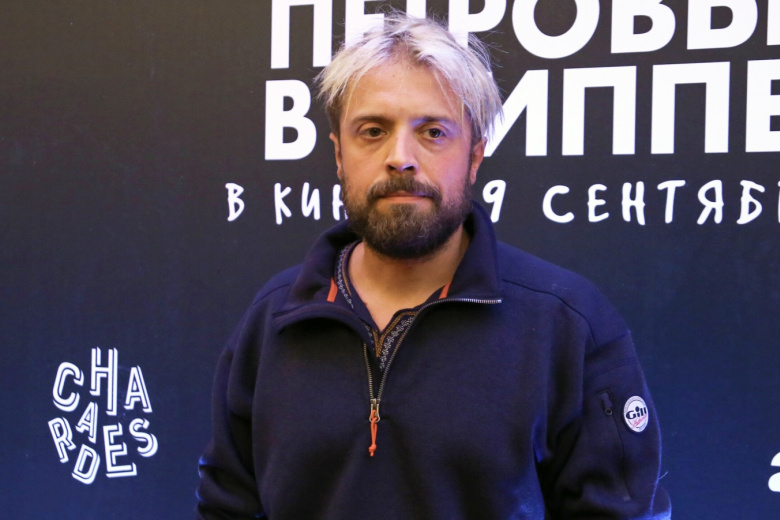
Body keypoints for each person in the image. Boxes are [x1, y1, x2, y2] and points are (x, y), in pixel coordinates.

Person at [196, 12, 671, 520]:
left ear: (475, 157)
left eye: (433, 132)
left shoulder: (568, 325)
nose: (400, 157)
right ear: (338, 155)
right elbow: (227, 508)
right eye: (373, 130)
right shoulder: (273, 322)